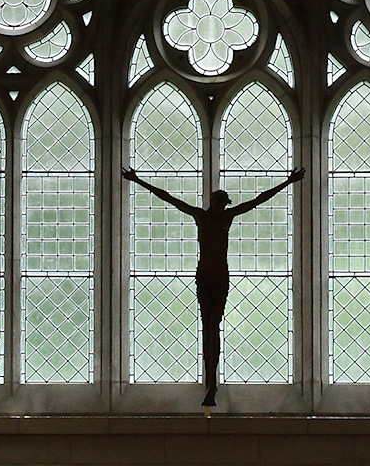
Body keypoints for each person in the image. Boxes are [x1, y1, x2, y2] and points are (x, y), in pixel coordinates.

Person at [122, 165, 306, 406]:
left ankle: (211, 384)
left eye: (222, 202)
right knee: (209, 326)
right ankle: (211, 383)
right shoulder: (208, 216)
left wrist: (288, 182)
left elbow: (258, 200)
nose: (220, 204)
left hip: (215, 275)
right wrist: (138, 181)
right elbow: (168, 197)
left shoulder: (215, 217)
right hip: (210, 275)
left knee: (212, 326)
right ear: (216, 202)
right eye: (219, 201)